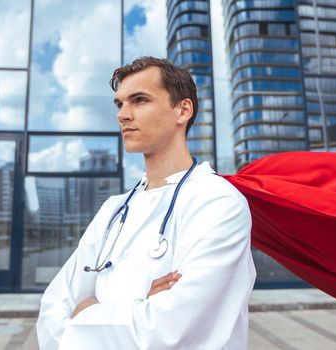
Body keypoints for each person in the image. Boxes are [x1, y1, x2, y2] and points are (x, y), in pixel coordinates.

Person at [36, 57, 256, 349]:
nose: (123, 115)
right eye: (119, 104)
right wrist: (139, 308)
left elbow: (167, 329)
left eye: (139, 100)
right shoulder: (114, 209)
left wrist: (85, 313)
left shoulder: (219, 202)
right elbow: (52, 310)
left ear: (183, 110)